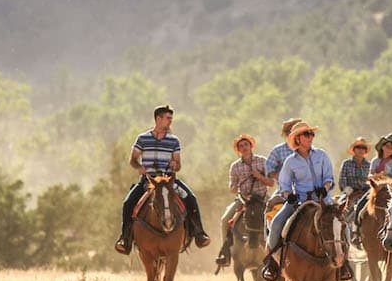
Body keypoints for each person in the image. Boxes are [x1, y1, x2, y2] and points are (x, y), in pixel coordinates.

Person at [261, 121, 350, 281]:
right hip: (299, 202)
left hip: (324, 200)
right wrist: (289, 195)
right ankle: (272, 264)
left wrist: (325, 187)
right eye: (307, 134)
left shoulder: (322, 155)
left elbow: (329, 177)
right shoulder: (290, 161)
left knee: (344, 227)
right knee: (276, 225)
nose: (311, 137)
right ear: (297, 138)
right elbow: (284, 185)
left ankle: (344, 263)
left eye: (311, 134)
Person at [114, 105, 211, 254]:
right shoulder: (142, 138)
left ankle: (199, 233)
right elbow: (133, 159)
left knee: (191, 198)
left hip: (168, 182)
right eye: (168, 118)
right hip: (148, 182)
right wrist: (139, 167)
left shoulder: (174, 141)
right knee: (128, 203)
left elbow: (178, 165)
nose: (170, 122)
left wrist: (175, 164)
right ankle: (125, 238)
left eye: (171, 119)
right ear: (158, 119)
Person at [214, 134, 274, 267]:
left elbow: (271, 183)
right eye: (241, 146)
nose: (244, 147)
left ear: (251, 146)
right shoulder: (235, 167)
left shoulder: (262, 161)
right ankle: (226, 254)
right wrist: (234, 187)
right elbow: (232, 187)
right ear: (238, 150)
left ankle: (277, 252)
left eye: (246, 144)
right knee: (225, 220)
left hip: (262, 199)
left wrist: (259, 176)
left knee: (276, 217)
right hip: (243, 201)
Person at [351, 133, 392, 220]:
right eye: (388, 146)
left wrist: (388, 179)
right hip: (375, 188)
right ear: (382, 147)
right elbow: (370, 175)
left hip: (391, 188)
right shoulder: (375, 161)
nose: (389, 149)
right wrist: (376, 176)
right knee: (360, 205)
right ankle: (356, 227)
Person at [338, 137, 371, 246]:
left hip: (365, 191)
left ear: (365, 151)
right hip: (350, 191)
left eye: (363, 148)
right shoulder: (346, 163)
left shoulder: (369, 165)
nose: (360, 150)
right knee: (340, 208)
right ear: (354, 149)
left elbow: (371, 180)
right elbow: (342, 180)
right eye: (358, 147)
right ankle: (340, 233)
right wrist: (346, 189)